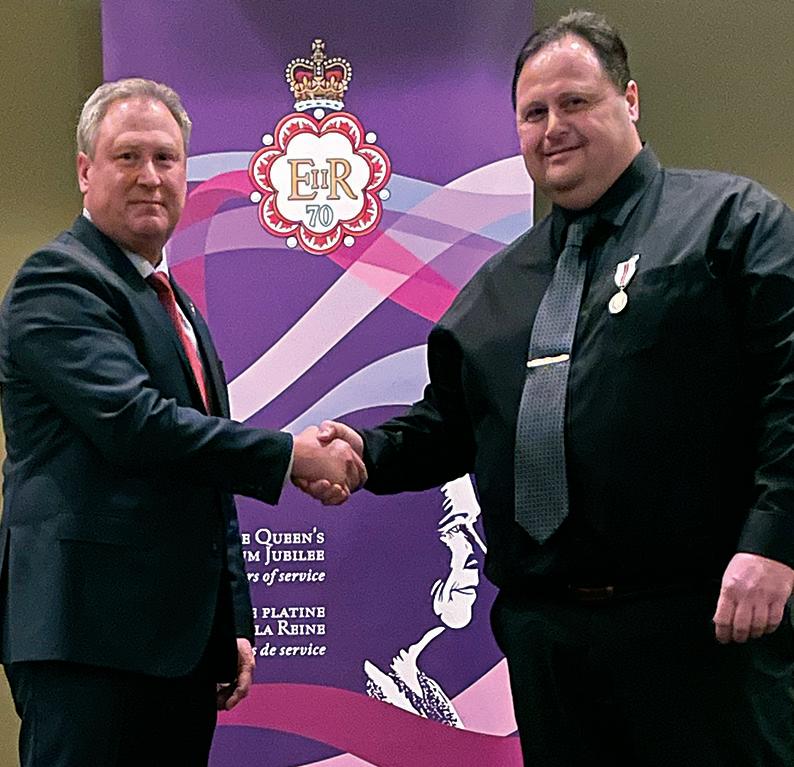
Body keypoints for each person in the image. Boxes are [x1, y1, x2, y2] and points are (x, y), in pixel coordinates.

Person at [303, 10, 794, 766]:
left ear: (630, 100)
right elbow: (451, 427)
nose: (553, 127)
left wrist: (774, 541)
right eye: (534, 113)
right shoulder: (494, 292)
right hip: (550, 645)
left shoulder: (732, 224)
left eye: (575, 102)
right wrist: (365, 451)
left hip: (705, 627)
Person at [0, 77, 365, 767]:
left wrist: (231, 623)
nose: (150, 176)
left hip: (177, 648)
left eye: (165, 158)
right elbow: (138, 426)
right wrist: (290, 455)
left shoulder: (177, 306)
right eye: (128, 156)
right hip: (89, 642)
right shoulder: (58, 281)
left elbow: (203, 482)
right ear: (85, 171)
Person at [363, 476, 485, 726]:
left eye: (472, 527)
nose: (479, 551)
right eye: (455, 528)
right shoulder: (360, 691)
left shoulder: (423, 688)